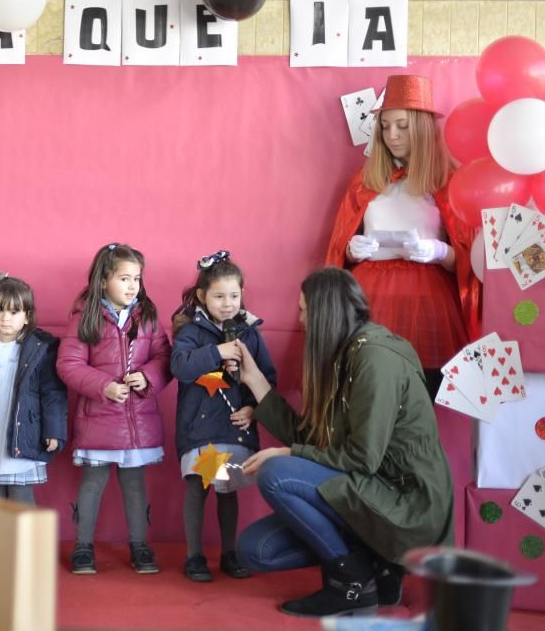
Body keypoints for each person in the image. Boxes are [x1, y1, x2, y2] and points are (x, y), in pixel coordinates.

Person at [234, 267, 454, 618]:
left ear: (324, 314)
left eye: (304, 310)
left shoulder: (375, 359)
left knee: (276, 472)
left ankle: (352, 586)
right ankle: (378, 564)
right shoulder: (345, 356)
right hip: (367, 489)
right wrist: (255, 380)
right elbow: (313, 440)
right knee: (255, 550)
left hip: (405, 502)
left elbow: (362, 457)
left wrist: (288, 453)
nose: (301, 319)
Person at [325, 74, 480, 387]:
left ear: (422, 127)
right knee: (367, 387)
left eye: (402, 125)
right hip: (370, 297)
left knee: (420, 391)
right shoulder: (364, 178)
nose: (391, 135)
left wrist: (438, 252)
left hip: (428, 302)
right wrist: (353, 250)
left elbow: (469, 262)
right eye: (384, 126)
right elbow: (338, 250)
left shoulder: (448, 180)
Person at [56, 243, 172, 575]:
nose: (133, 285)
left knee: (135, 484)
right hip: (99, 420)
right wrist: (102, 385)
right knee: (92, 483)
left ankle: (140, 546)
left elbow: (165, 357)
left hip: (139, 422)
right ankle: (82, 547)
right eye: (124, 278)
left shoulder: (147, 315)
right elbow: (68, 364)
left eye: (137, 278)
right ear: (104, 279)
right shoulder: (85, 316)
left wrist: (147, 376)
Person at [170, 250, 277, 583]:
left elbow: (268, 379)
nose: (228, 303)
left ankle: (229, 553)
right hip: (202, 429)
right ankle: (194, 556)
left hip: (232, 430)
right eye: (219, 296)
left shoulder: (249, 333)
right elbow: (180, 367)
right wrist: (217, 352)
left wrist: (253, 409)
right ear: (202, 296)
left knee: (226, 489)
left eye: (234, 295)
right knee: (198, 487)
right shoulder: (191, 332)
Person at [0, 274, 68, 504]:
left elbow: (52, 393)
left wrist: (54, 431)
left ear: (27, 316)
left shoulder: (41, 347)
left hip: (23, 432)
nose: (5, 318)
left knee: (20, 497)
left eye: (14, 312)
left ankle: (27, 542)